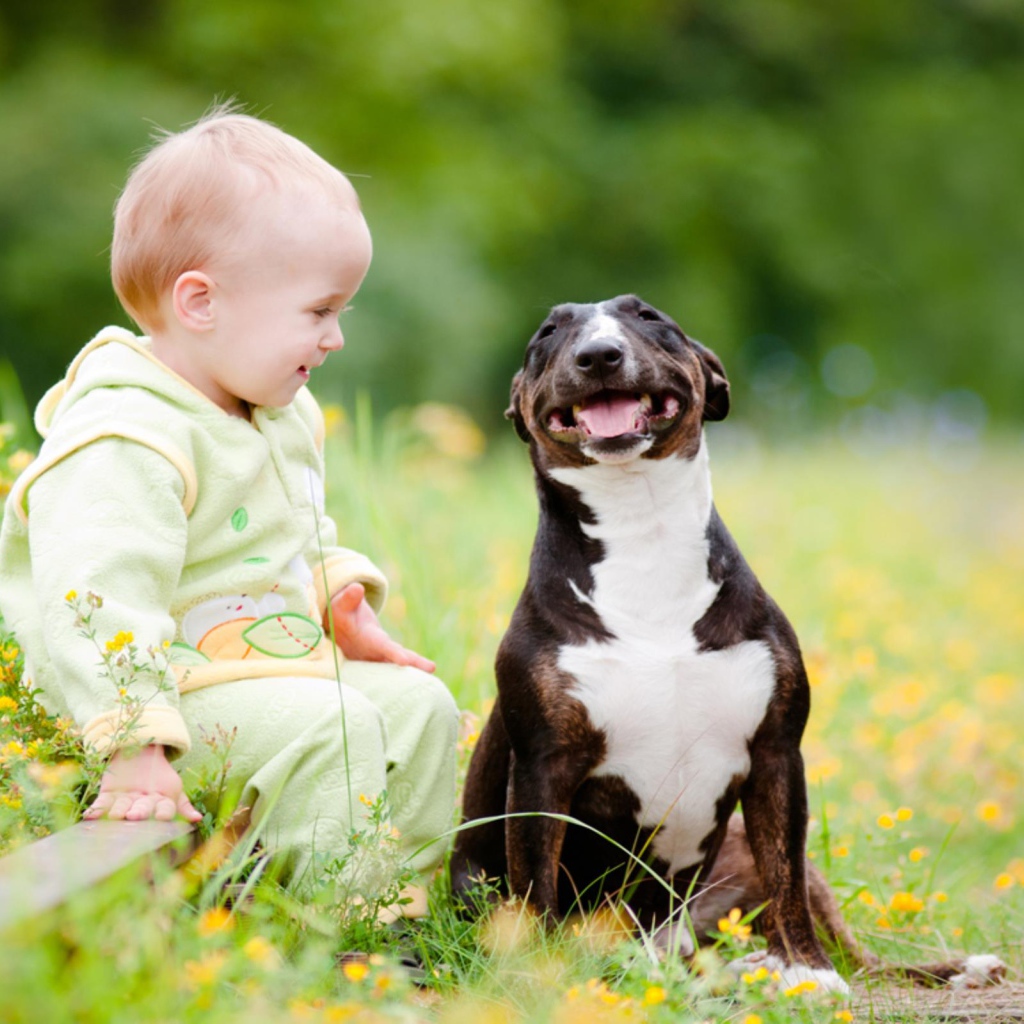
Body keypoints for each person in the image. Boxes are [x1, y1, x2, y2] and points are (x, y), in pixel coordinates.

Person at [0, 107, 459, 912]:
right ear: (201, 303)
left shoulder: (277, 413)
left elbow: (299, 534)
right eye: (319, 312)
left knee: (420, 707)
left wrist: (338, 598)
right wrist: (134, 744)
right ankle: (329, 930)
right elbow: (95, 602)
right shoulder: (125, 434)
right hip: (143, 703)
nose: (336, 338)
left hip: (252, 672)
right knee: (332, 730)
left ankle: (403, 915)